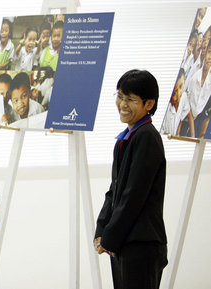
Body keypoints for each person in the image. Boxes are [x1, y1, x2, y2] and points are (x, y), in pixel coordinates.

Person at [94, 69, 167, 289]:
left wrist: (110, 238)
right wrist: (101, 230)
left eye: (131, 99)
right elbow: (114, 190)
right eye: (120, 96)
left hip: (142, 244)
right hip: (124, 242)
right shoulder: (125, 139)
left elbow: (134, 194)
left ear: (148, 103)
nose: (123, 104)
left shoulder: (147, 137)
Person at [161, 68, 186, 135]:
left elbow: (183, 115)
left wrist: (178, 132)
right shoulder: (166, 110)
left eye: (181, 86)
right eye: (174, 92)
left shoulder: (184, 97)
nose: (178, 95)